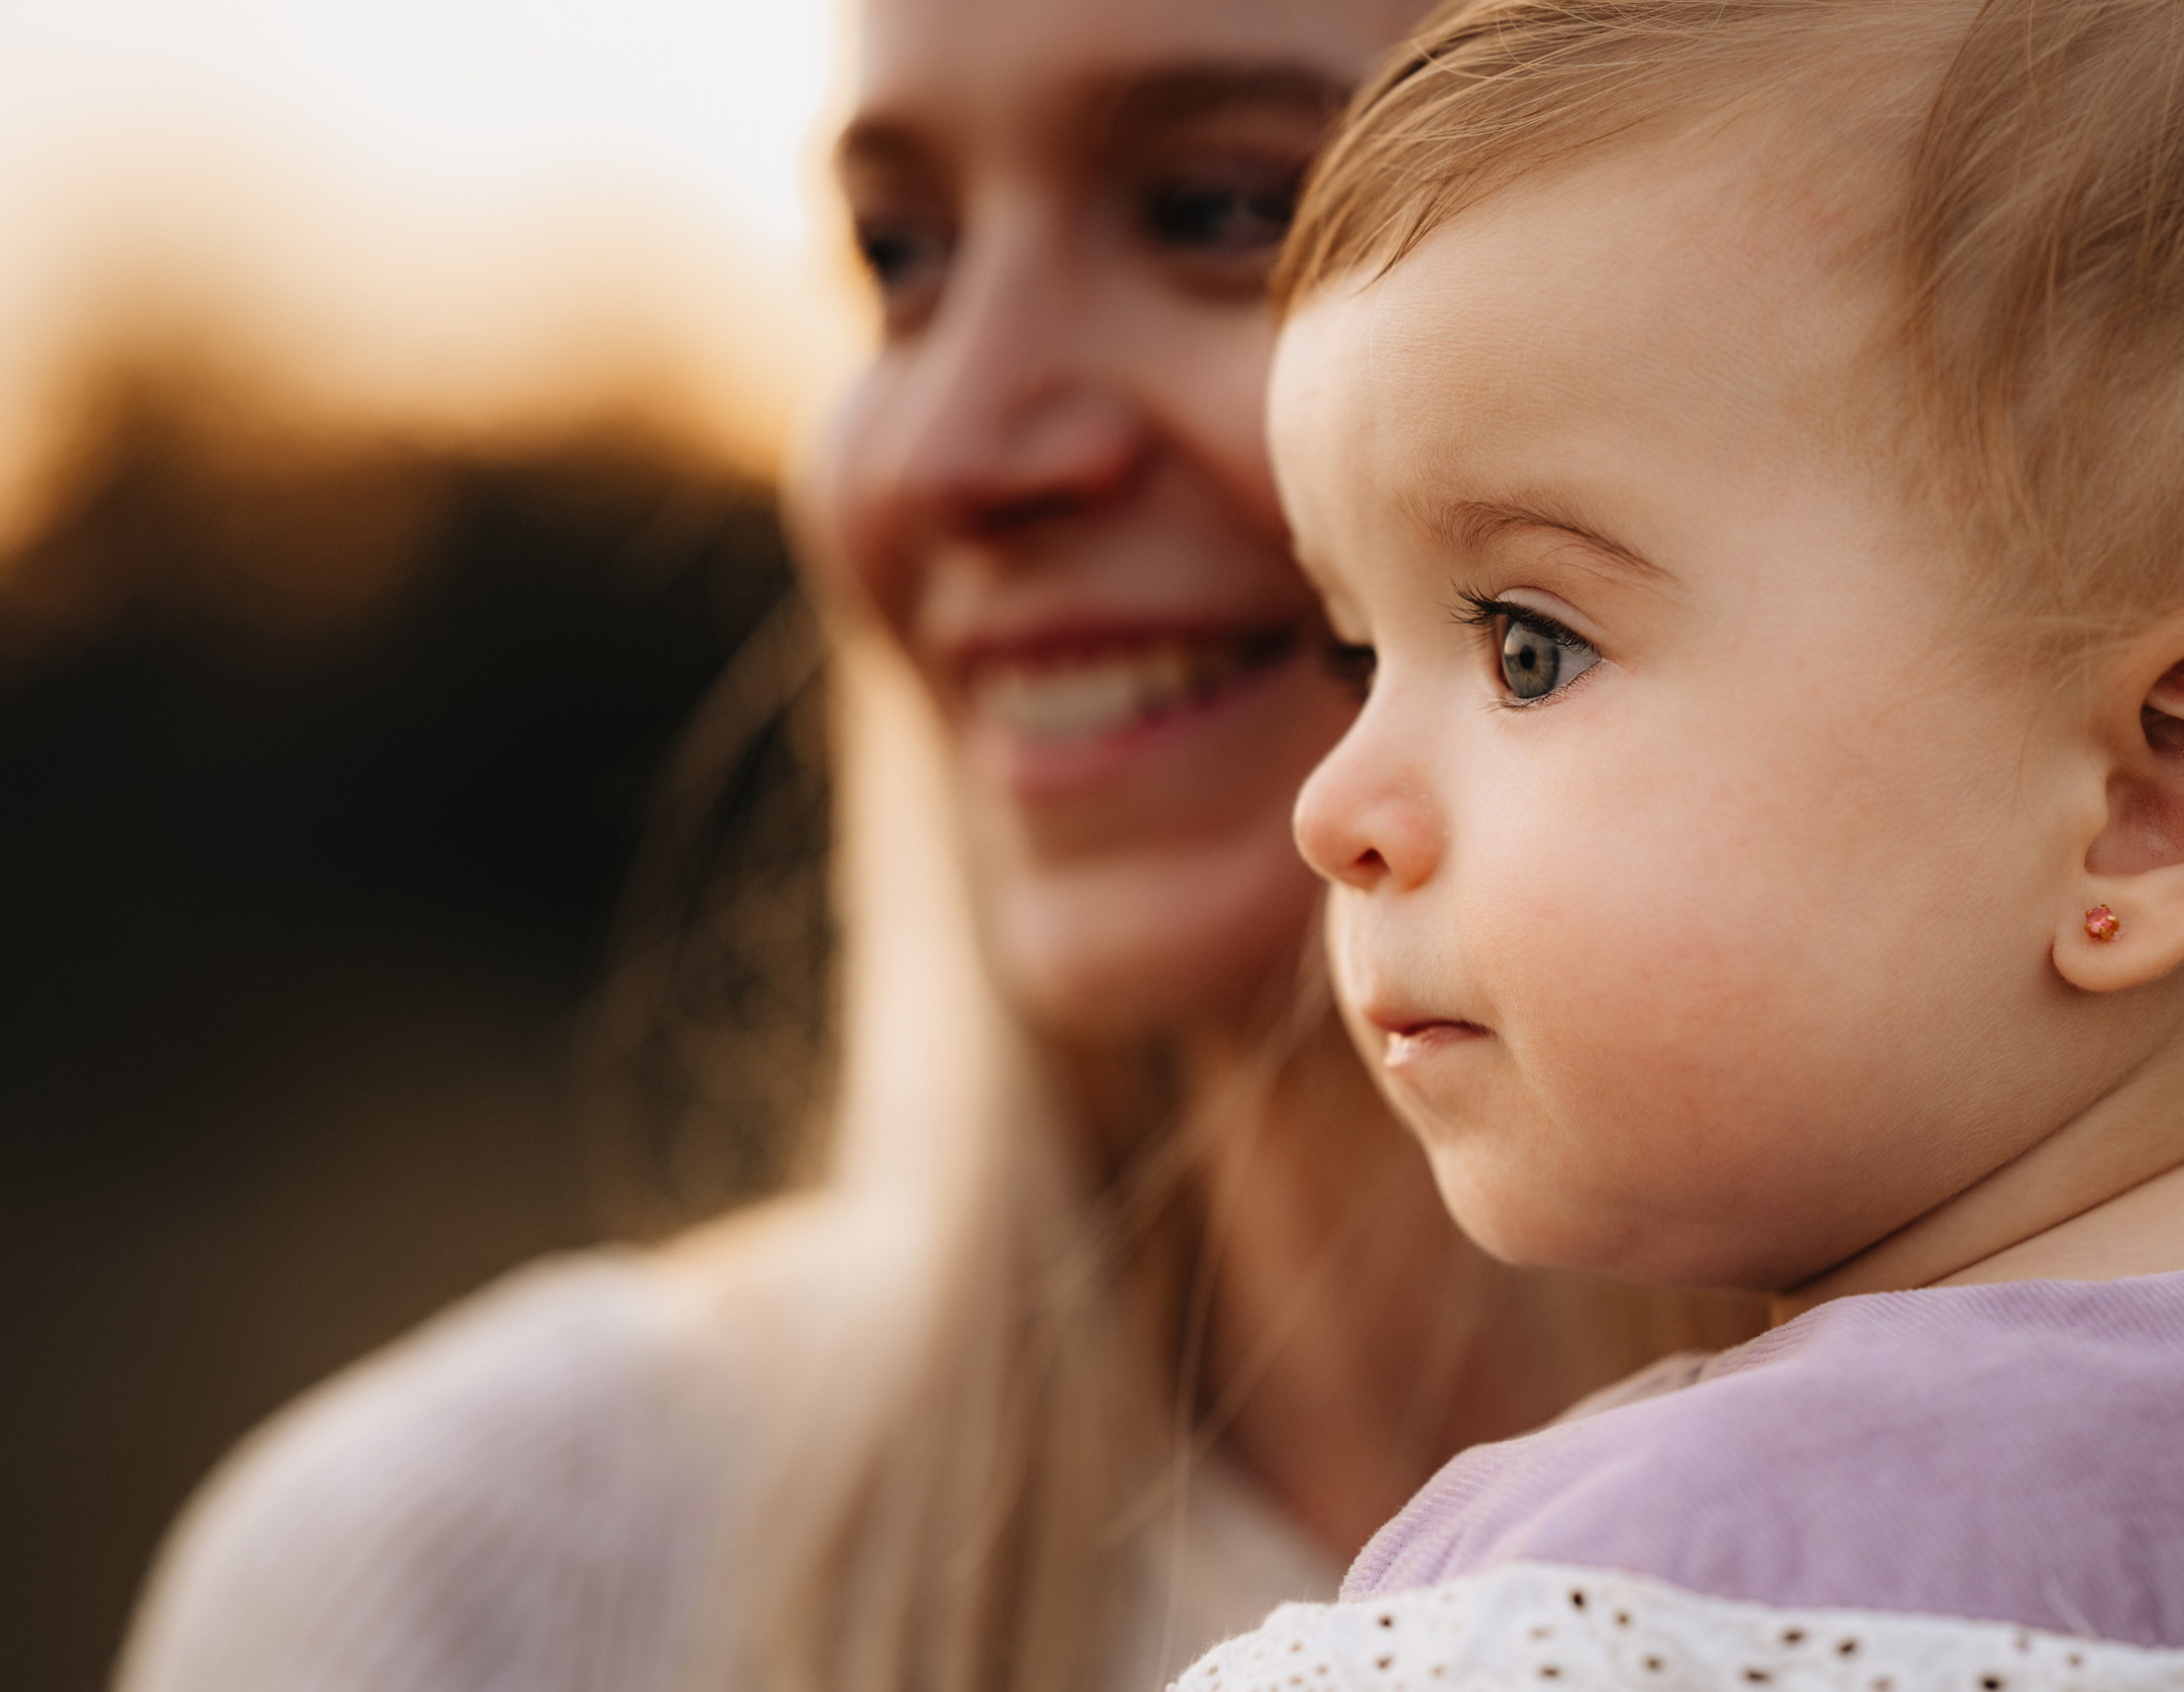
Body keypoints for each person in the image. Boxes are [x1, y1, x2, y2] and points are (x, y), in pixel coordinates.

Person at [110, 4, 1765, 1691]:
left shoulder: (2033, 1581)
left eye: (1217, 212)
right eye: (902, 257)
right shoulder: (454, 1594)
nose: (945, 451)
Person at [1179, 0, 2184, 1684]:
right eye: (1352, 653)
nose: (1332, 808)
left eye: (1528, 644)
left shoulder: (1613, 1618)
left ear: (2151, 795)